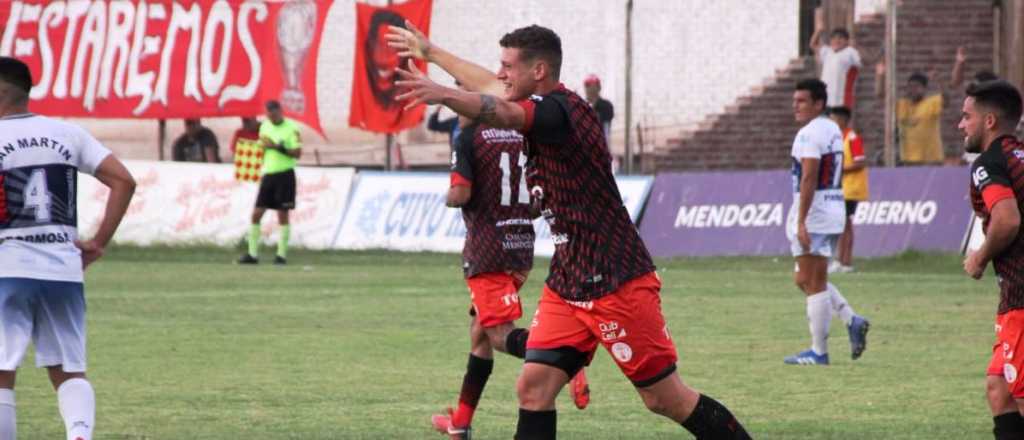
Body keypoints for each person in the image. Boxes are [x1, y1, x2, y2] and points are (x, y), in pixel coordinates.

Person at [388, 23, 750, 439]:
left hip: (615, 278)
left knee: (665, 399)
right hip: (569, 279)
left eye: (509, 66)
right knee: (533, 388)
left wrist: (444, 94)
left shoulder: (561, 111)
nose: (500, 74)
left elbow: (502, 109)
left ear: (538, 70)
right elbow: (490, 86)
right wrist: (431, 52)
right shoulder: (532, 98)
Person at [0, 57, 136, 440]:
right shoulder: (67, 134)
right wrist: (98, 243)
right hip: (61, 271)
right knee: (69, 372)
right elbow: (124, 181)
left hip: (7, 268)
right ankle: (79, 435)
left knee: (2, 375)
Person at [429, 115, 554, 439]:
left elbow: (460, 194)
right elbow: (537, 204)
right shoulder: (521, 132)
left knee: (499, 334)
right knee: (479, 333)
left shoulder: (469, 136)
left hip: (487, 252)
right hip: (521, 247)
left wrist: (447, 197)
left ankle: (564, 354)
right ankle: (460, 424)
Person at [784, 79, 870, 366]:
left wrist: (801, 221)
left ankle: (818, 351)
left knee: (814, 282)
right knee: (804, 279)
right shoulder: (833, 129)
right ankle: (851, 319)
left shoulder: (808, 134)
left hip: (815, 212)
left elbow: (809, 176)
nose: (795, 106)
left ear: (819, 104)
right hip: (833, 207)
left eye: (802, 101)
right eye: (795, 100)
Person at [959, 79, 1024, 440]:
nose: (961, 124)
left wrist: (980, 257)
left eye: (967, 116)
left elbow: (1008, 219)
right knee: (998, 388)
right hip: (1014, 298)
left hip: (1021, 296)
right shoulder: (1019, 157)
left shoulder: (989, 163)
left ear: (989, 122)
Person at [875, 46, 965, 165]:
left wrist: (940, 81)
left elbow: (946, 100)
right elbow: (881, 95)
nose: (912, 90)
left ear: (924, 89)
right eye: (910, 87)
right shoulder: (902, 105)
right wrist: (881, 73)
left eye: (916, 87)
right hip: (907, 161)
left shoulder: (931, 103)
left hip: (932, 161)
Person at [238, 101, 302, 266]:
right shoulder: (265, 127)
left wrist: (277, 147)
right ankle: (252, 254)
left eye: (274, 115)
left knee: (282, 214)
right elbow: (262, 146)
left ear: (280, 111)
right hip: (269, 174)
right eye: (268, 115)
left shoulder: (291, 128)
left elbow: (297, 153)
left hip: (285, 174)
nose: (271, 118)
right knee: (256, 213)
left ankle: (281, 255)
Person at [828, 106, 868, 273]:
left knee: (844, 224)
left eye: (834, 118)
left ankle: (842, 261)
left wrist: (840, 169)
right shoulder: (837, 138)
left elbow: (860, 162)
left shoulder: (852, 138)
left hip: (850, 188)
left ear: (843, 120)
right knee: (843, 224)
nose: (832, 122)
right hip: (841, 188)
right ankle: (843, 261)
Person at [810, 27, 862, 109]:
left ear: (846, 41)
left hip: (841, 97)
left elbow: (861, 61)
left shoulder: (850, 52)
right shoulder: (827, 51)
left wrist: (855, 45)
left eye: (840, 38)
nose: (837, 41)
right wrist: (818, 31)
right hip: (826, 95)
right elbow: (813, 45)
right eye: (834, 38)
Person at [231, 117, 263, 182]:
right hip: (244, 170)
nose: (245, 124)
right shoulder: (239, 133)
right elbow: (234, 153)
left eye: (247, 121)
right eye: (244, 121)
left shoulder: (264, 131)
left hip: (262, 168)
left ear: (254, 119)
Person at [583, 74, 614, 139]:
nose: (587, 89)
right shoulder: (582, 106)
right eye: (586, 86)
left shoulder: (606, 106)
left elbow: (605, 129)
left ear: (598, 87)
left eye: (589, 86)